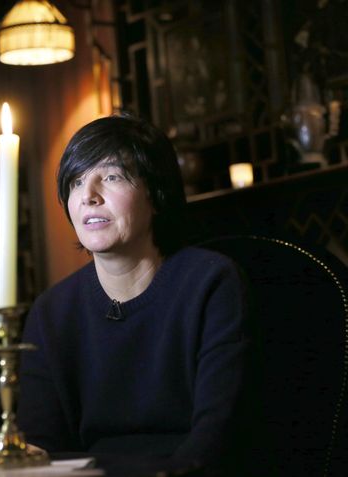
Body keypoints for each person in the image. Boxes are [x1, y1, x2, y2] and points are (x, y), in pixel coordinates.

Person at [16, 115, 256, 475]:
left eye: (111, 177)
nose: (88, 196)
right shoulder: (51, 312)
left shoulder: (210, 283)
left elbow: (218, 434)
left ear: (156, 194)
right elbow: (41, 447)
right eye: (77, 181)